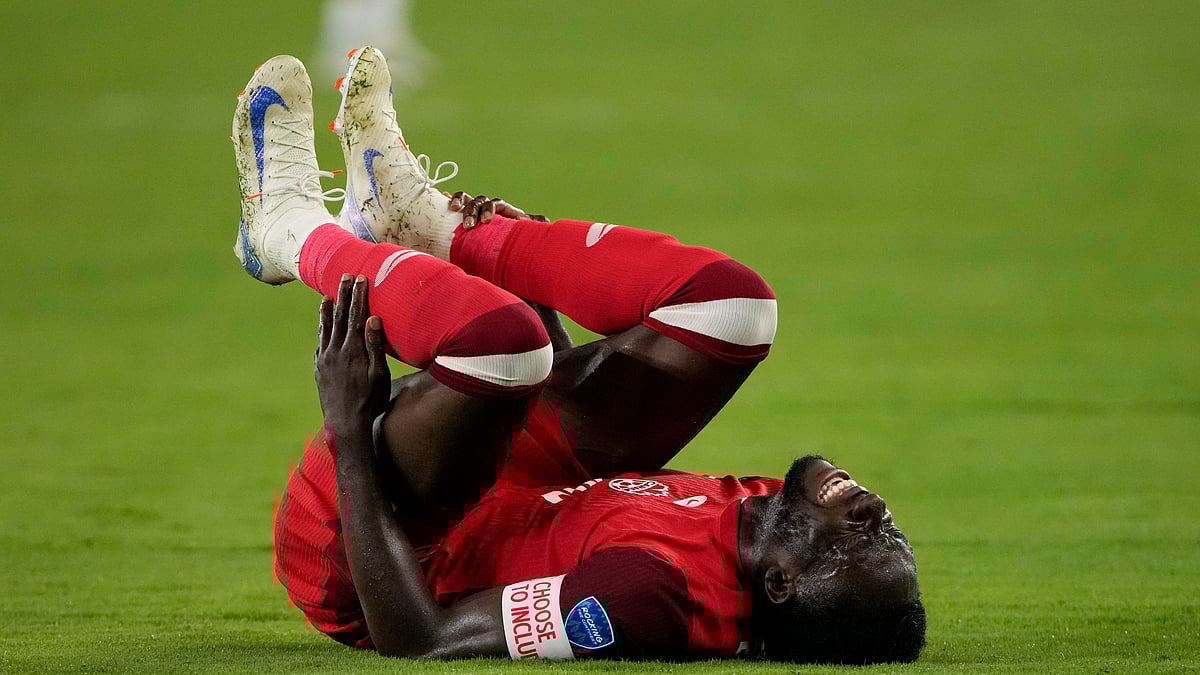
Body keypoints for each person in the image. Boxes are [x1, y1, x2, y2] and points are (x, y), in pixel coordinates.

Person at [234, 48, 925, 664]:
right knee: (733, 311)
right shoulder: (762, 513)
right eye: (894, 535)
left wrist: (351, 434)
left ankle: (290, 232)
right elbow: (579, 502)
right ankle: (428, 225)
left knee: (502, 346)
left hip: (377, 545)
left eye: (861, 542)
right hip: (517, 481)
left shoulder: (650, 598)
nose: (878, 514)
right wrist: (524, 273)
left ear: (781, 580)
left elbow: (422, 636)